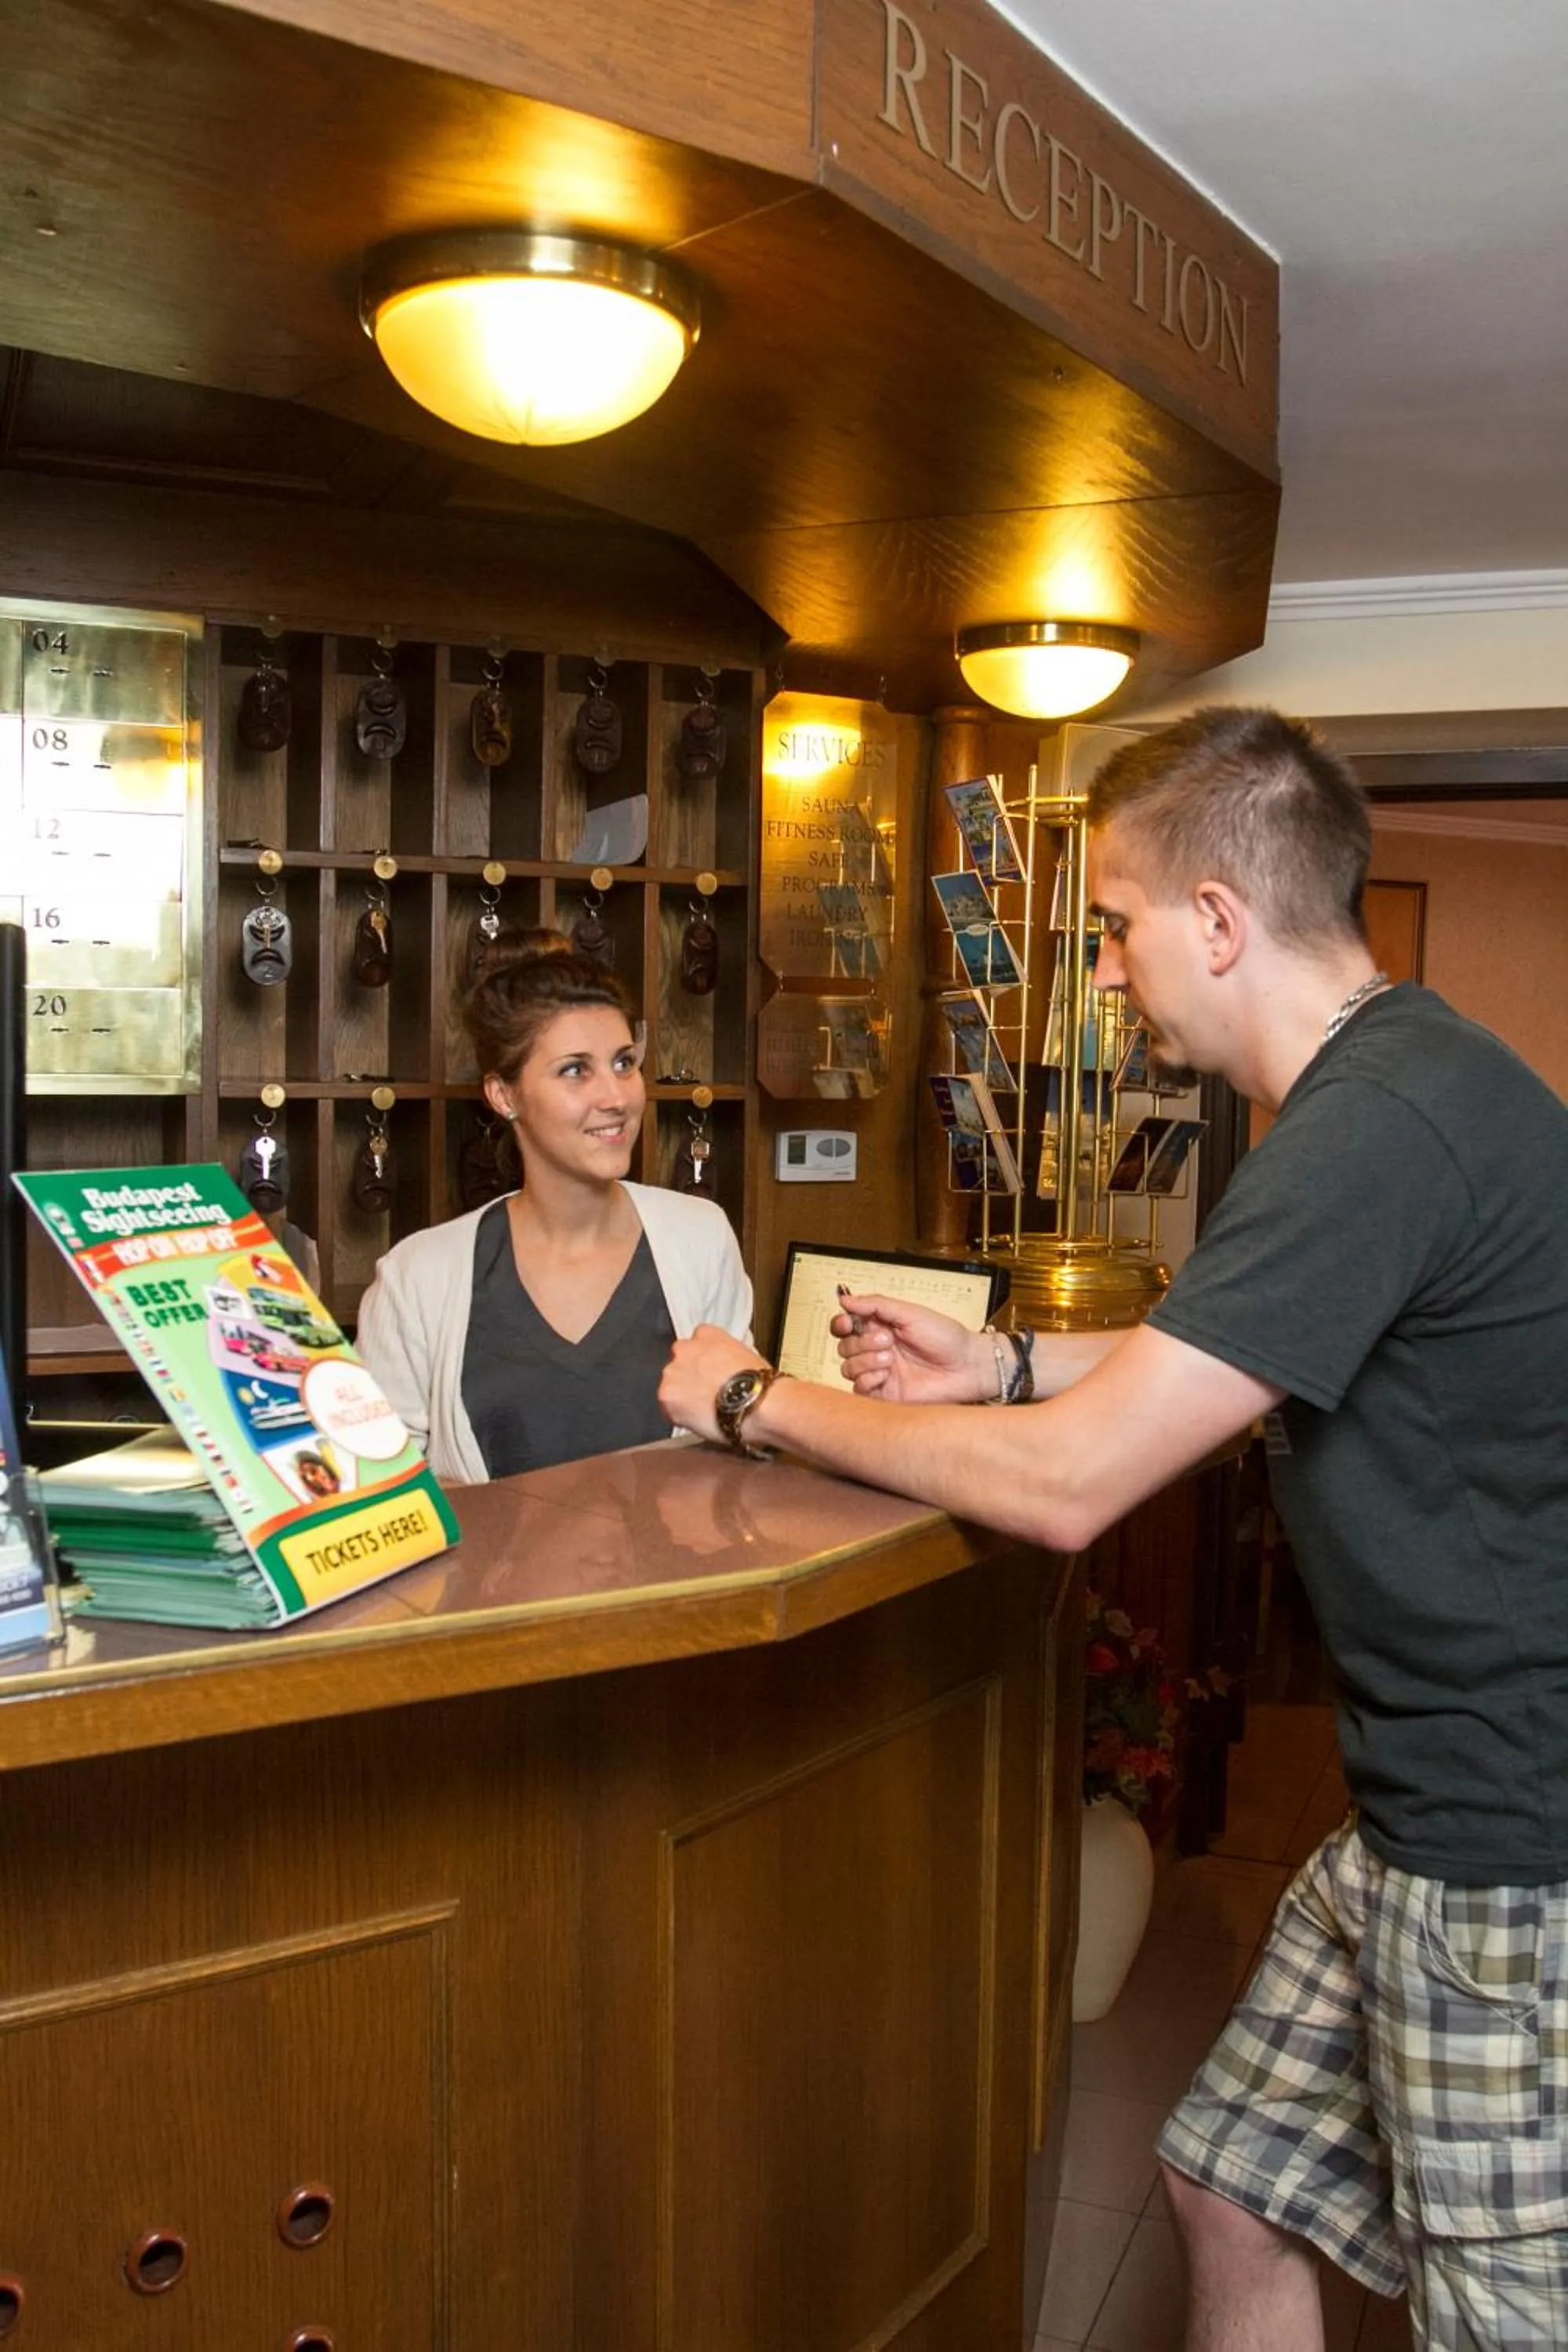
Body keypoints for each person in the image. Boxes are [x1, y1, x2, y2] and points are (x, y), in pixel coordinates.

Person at [659, 706, 1568, 2351]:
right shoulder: (1400, 1079)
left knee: (1504, 2316)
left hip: (1511, 1846)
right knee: (1229, 2178)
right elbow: (1245, 1351)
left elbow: (1081, 1479)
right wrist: (997, 1359)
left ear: (1217, 919)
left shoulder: (1374, 1125)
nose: (1102, 974)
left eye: (1115, 928)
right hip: (1424, 1811)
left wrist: (755, 1401)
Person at [360, 933, 751, 1484]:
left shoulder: (700, 1237)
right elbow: (375, 1483)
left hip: (679, 1572)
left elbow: (740, 1443)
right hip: (490, 1573)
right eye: (575, 1070)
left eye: (623, 1063)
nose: (616, 1098)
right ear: (504, 1096)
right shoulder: (417, 1276)